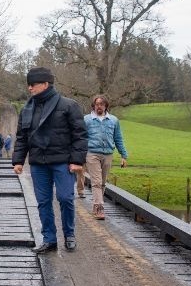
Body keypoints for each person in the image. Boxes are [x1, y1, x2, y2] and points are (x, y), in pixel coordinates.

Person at [12, 67, 87, 253]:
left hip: (62, 161)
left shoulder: (69, 105)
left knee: (65, 198)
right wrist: (18, 161)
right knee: (43, 202)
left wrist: (77, 160)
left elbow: (81, 135)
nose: (29, 88)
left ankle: (69, 234)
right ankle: (49, 239)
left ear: (45, 84)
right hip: (38, 163)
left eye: (33, 84)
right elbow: (22, 136)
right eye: (28, 85)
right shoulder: (27, 109)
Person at [79, 94, 128, 220]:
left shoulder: (113, 120)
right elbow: (81, 137)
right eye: (97, 104)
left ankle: (97, 204)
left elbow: (118, 138)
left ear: (106, 106)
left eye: (101, 104)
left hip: (108, 154)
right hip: (92, 153)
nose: (99, 106)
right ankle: (99, 207)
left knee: (103, 182)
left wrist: (123, 155)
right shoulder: (87, 120)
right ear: (93, 106)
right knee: (96, 181)